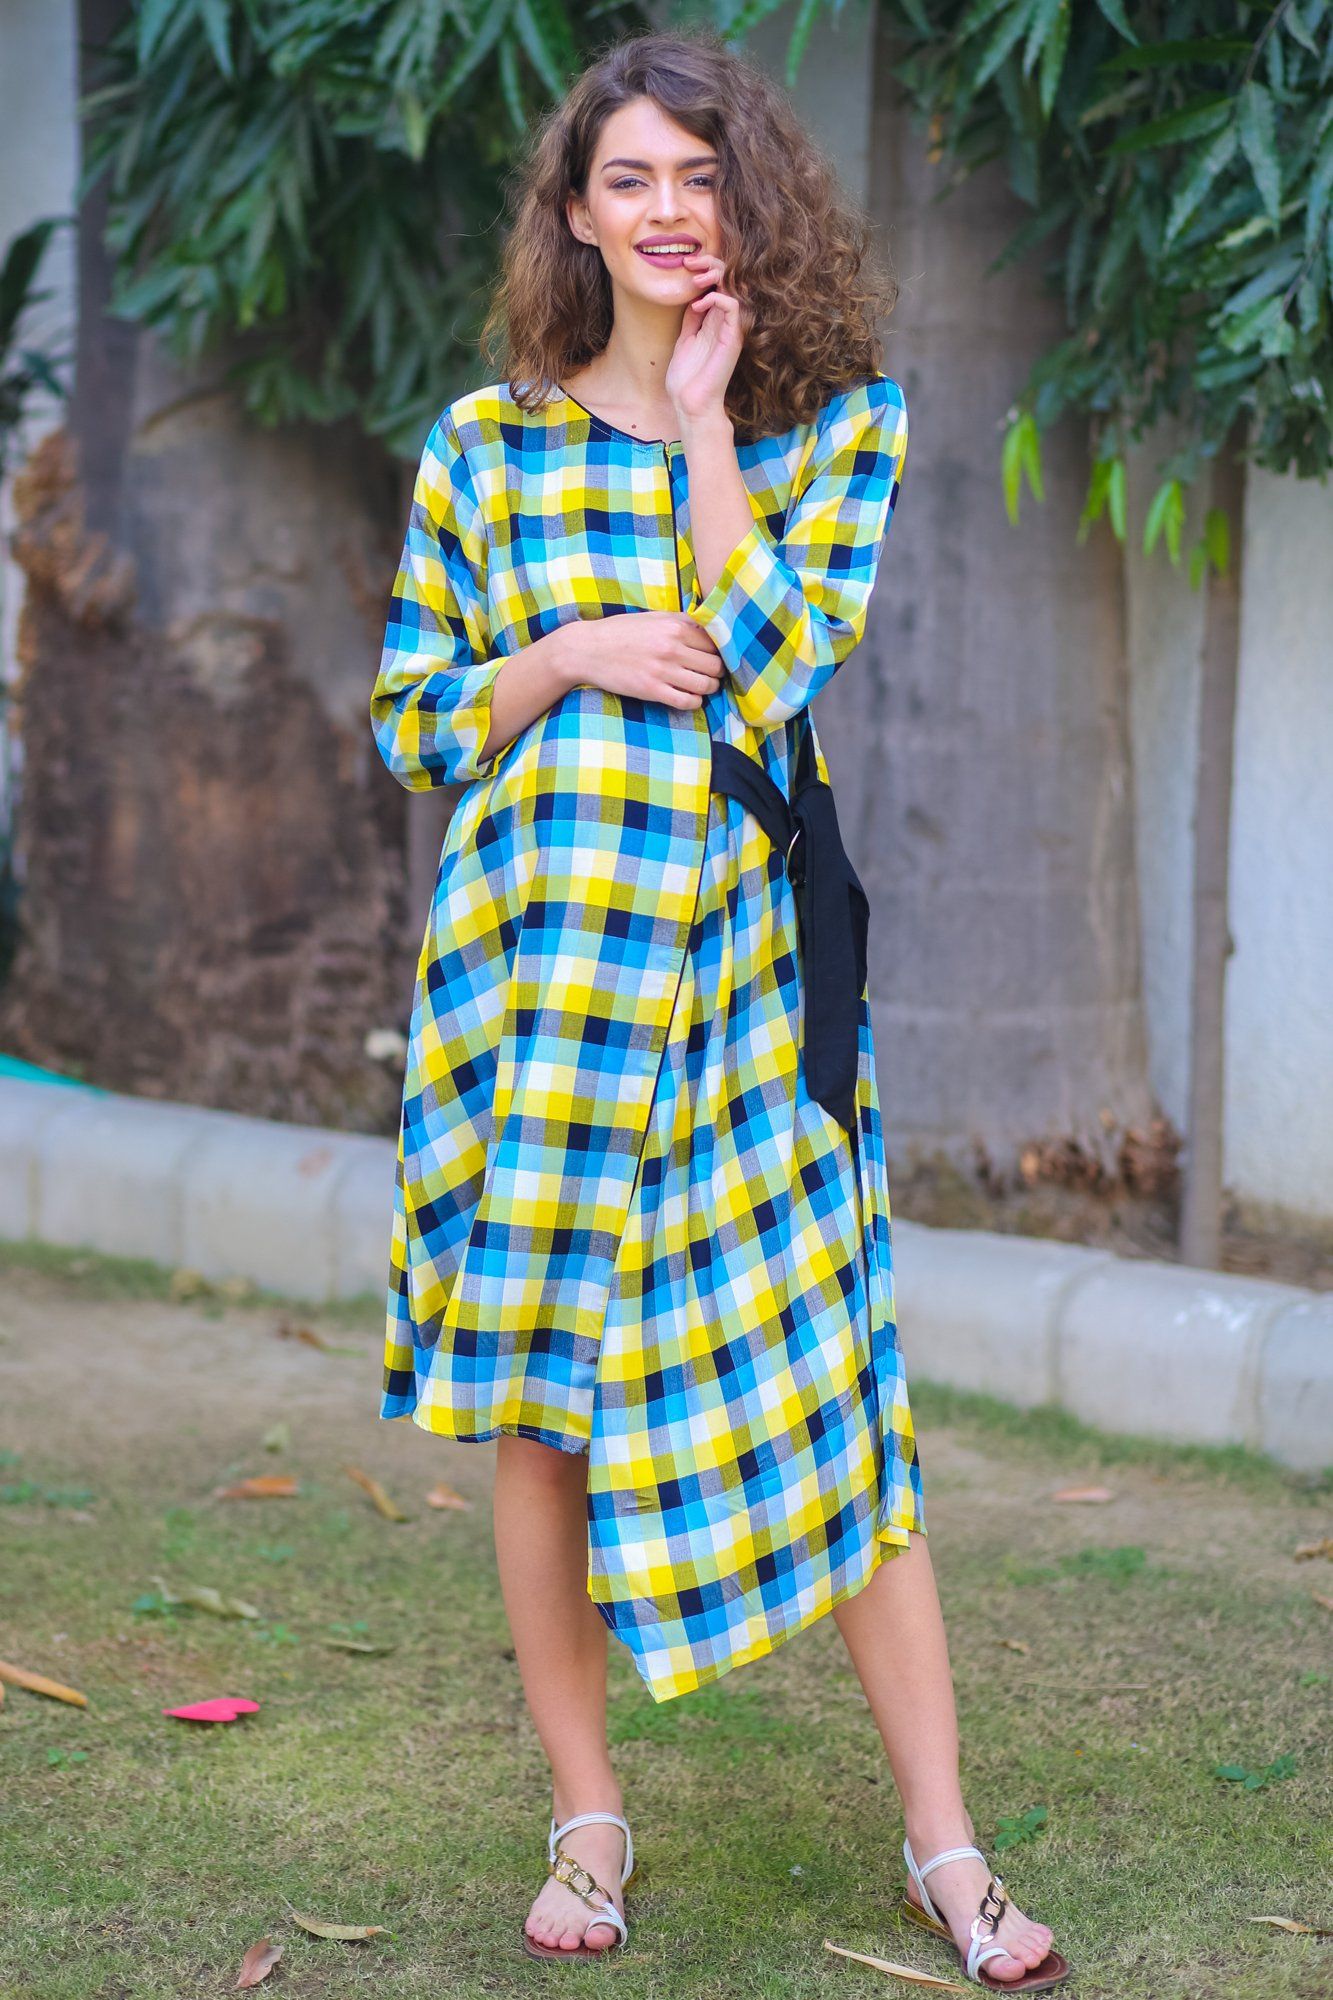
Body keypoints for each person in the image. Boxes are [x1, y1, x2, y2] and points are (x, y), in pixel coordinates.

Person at [369, 26, 1068, 1992]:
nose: (669, 211)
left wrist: (696, 430)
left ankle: (945, 1845)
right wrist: (566, 653)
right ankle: (586, 1819)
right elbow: (416, 717)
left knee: (837, 1404)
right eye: (631, 181)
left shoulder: (833, 431)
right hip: (532, 996)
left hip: (745, 1007)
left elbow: (768, 666)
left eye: (701, 176)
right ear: (575, 215)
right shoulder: (484, 448)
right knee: (542, 1413)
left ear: (752, 203)